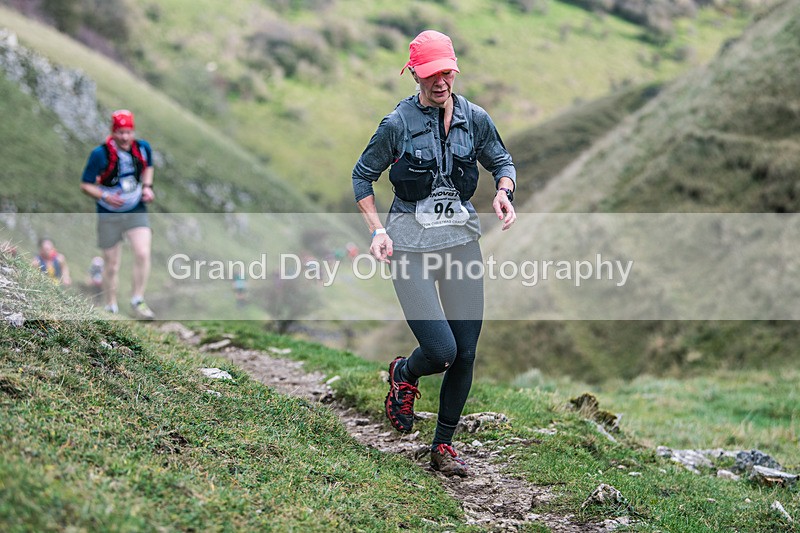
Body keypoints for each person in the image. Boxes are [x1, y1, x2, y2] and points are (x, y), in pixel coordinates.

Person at [352, 30, 517, 477]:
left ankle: (442, 446)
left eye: (447, 71)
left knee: (465, 353)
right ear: (415, 74)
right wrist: (377, 231)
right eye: (431, 74)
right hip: (409, 249)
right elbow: (361, 178)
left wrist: (504, 191)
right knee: (441, 350)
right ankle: (404, 373)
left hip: (460, 244)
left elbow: (502, 161)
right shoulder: (396, 125)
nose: (441, 81)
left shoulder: (474, 118)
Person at [80, 109, 156, 319]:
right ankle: (110, 306)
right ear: (112, 132)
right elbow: (85, 185)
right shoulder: (100, 154)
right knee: (112, 264)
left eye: (128, 132)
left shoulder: (142, 148)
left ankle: (137, 300)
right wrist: (104, 196)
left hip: (135, 208)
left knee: (142, 253)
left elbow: (149, 166)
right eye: (120, 132)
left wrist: (147, 187)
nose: (124, 137)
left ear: (133, 131)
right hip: (109, 212)